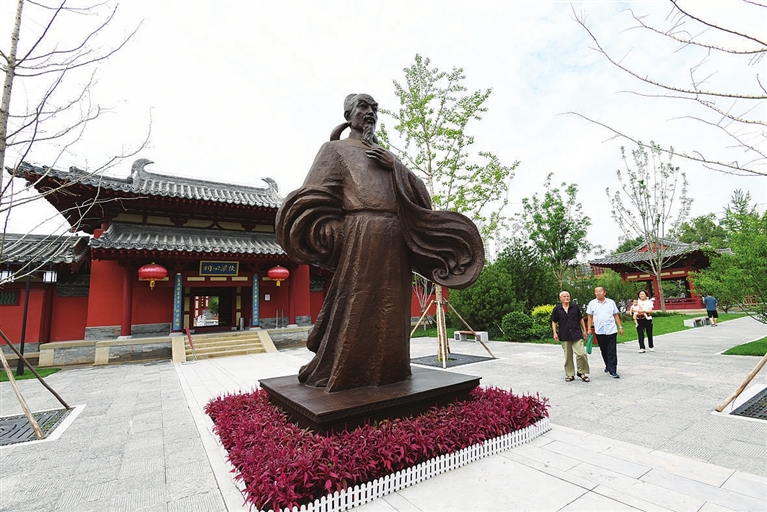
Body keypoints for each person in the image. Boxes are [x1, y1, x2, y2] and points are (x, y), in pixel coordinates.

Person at [275, 94, 484, 392]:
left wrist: (396, 166)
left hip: (395, 236)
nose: (370, 112)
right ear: (348, 115)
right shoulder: (335, 150)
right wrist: (336, 232)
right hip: (362, 233)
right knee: (358, 303)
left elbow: (421, 195)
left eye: (374, 109)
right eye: (363, 107)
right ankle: (347, 371)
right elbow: (315, 194)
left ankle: (391, 372)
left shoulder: (387, 156)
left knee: (392, 308)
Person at [550, 291, 590, 382]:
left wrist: (584, 330)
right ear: (560, 298)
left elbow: (581, 319)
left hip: (577, 333)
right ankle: (570, 374)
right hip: (564, 334)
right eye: (564, 296)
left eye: (568, 296)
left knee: (581, 353)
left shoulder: (575, 307)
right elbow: (554, 321)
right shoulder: (557, 309)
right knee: (568, 356)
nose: (566, 298)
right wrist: (555, 333)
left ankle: (581, 372)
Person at [587, 286, 624, 378]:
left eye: (600, 291)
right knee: (604, 349)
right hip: (599, 330)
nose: (598, 293)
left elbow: (615, 315)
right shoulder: (592, 303)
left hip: (611, 329)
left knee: (612, 350)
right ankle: (608, 365)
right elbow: (590, 317)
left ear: (604, 292)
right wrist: (589, 329)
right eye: (596, 292)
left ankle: (613, 370)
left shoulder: (611, 302)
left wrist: (620, 326)